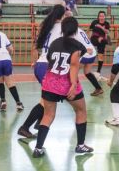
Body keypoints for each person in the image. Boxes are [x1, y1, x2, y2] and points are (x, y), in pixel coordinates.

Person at [33, 17, 94, 157]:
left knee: (48, 115)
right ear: (76, 29)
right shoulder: (78, 46)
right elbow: (74, 66)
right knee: (81, 111)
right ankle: (80, 145)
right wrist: (73, 84)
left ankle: (38, 148)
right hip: (66, 83)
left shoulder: (54, 43)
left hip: (50, 82)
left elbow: (50, 60)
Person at [17, 4, 66, 138]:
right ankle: (25, 127)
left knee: (47, 99)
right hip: (49, 67)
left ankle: (39, 122)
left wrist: (35, 60)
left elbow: (35, 46)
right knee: (46, 101)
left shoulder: (46, 26)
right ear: (63, 14)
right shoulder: (62, 28)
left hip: (41, 64)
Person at [88, 11, 110, 92]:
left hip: (102, 39)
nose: (101, 17)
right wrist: (87, 39)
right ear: (98, 16)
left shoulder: (107, 23)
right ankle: (88, 69)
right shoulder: (94, 22)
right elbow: (90, 30)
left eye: (103, 16)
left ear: (104, 17)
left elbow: (107, 32)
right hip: (94, 39)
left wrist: (101, 28)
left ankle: (98, 71)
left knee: (100, 55)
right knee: (89, 53)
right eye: (100, 16)